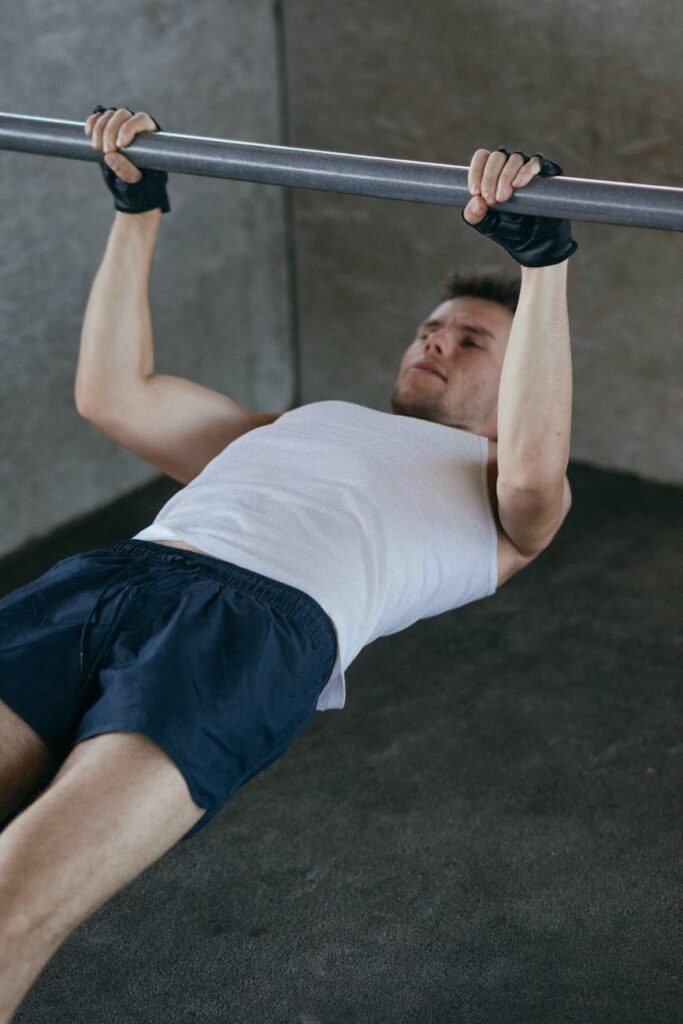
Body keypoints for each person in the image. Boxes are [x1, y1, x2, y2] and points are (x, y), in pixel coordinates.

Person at [0, 105, 576, 1020]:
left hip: (248, 635)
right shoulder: (298, 425)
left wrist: (542, 272)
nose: (435, 340)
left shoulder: (505, 501)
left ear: (519, 385)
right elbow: (113, 394)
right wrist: (136, 202)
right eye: (431, 327)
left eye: (472, 342)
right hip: (110, 580)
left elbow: (540, 462)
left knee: (11, 905)